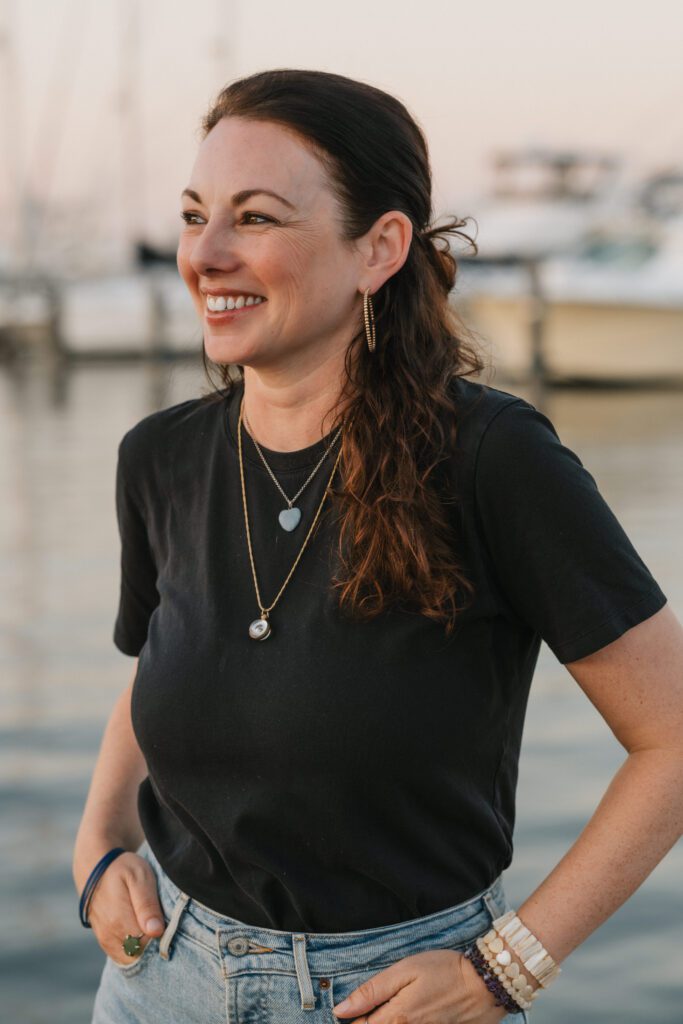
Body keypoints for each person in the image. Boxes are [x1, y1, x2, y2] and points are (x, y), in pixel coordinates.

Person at [73, 69, 683, 1024]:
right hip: (161, 982)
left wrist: (506, 968)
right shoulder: (160, 458)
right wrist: (98, 849)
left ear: (380, 248)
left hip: (400, 996)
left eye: (257, 218)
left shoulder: (491, 459)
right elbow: (159, 661)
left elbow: (673, 739)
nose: (206, 254)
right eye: (196, 216)